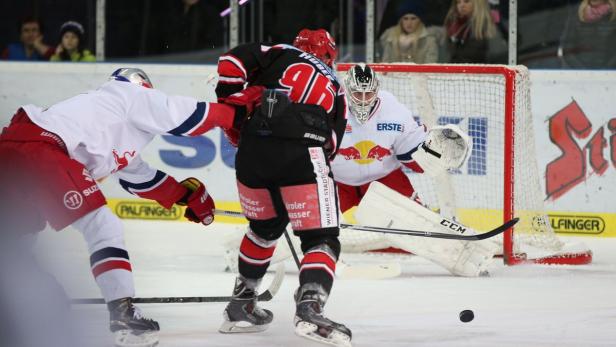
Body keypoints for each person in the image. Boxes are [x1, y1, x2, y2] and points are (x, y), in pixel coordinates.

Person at [0, 68, 261, 347]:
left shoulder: (107, 116)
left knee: (16, 238)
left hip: (11, 149)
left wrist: (185, 196)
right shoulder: (129, 95)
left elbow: (139, 177)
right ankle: (122, 312)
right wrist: (235, 115)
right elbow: (186, 115)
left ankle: (29, 298)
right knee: (102, 226)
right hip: (41, 150)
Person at [215, 29, 351, 346]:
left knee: (263, 229)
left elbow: (232, 59)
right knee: (321, 237)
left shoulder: (278, 51)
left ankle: (242, 303)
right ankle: (310, 308)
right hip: (303, 153)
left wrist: (228, 102)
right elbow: (332, 143)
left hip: (251, 154)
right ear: (330, 56)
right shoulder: (334, 84)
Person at [331, 63, 496, 277]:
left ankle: (464, 259)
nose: (363, 99)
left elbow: (413, 158)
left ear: (377, 89)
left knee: (419, 224)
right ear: (346, 89)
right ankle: (295, 254)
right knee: (311, 222)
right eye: (357, 93)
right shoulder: (330, 106)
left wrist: (432, 152)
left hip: (384, 179)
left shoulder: (393, 110)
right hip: (336, 180)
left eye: (368, 92)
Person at [559, 0, 616, 68]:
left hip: (609, 73)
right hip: (577, 72)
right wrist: (582, 70)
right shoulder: (576, 13)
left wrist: (606, 70)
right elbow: (567, 48)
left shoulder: (613, 15)